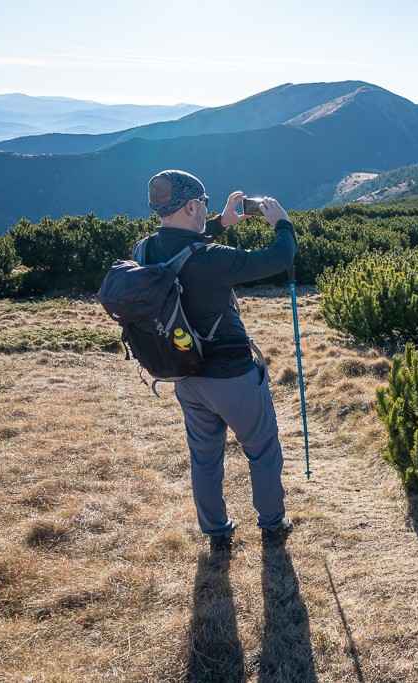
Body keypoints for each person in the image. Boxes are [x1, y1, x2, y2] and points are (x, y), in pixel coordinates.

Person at [140, 169, 297, 549]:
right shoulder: (213, 258)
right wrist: (282, 224)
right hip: (232, 376)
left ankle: (217, 533)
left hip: (185, 373)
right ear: (193, 205)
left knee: (205, 459)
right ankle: (272, 525)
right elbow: (278, 257)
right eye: (205, 204)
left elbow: (182, 248)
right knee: (261, 450)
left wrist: (222, 222)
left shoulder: (143, 250)